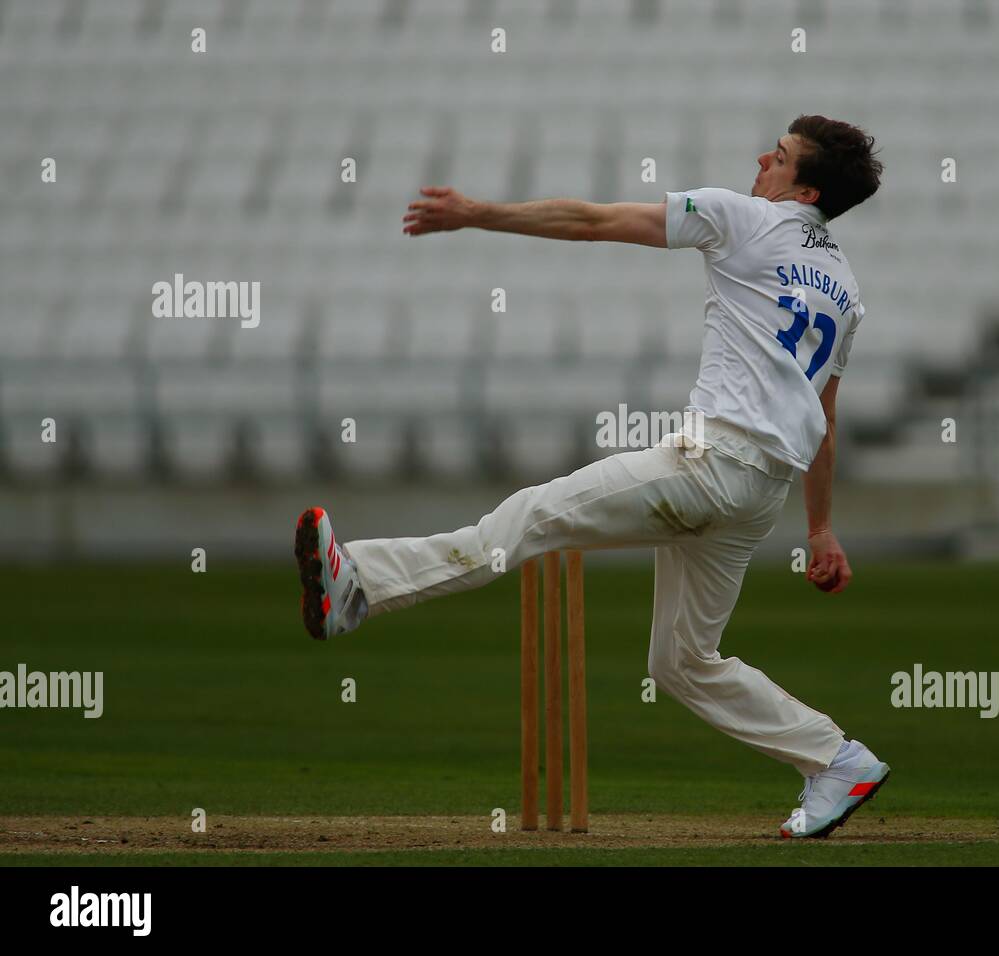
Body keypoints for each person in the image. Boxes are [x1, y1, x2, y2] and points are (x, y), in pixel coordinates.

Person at [294, 114, 888, 838]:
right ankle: (836, 759)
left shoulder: (748, 219)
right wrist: (820, 528)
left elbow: (593, 220)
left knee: (527, 519)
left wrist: (479, 213)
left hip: (709, 466)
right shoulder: (845, 288)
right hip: (759, 495)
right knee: (681, 660)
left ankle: (356, 582)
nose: (762, 158)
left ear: (806, 191)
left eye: (782, 156)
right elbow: (823, 416)